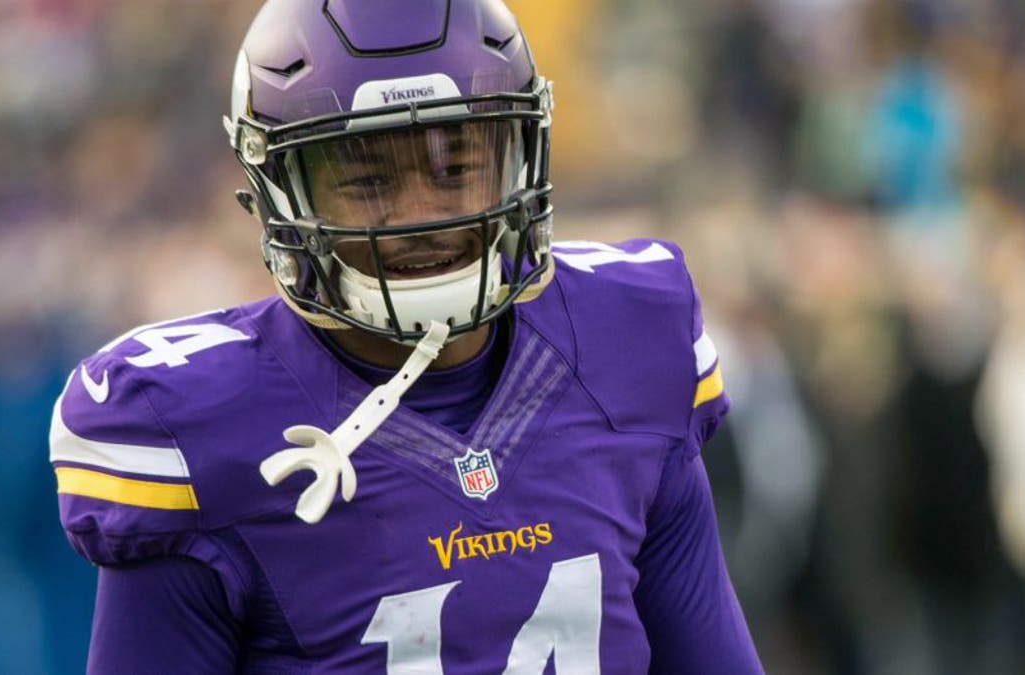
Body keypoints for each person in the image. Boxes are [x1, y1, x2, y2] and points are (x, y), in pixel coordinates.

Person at [48, 0, 764, 672]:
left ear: (519, 155)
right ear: (278, 192)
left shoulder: (627, 341)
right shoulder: (191, 424)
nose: (421, 215)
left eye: (456, 167)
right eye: (365, 179)